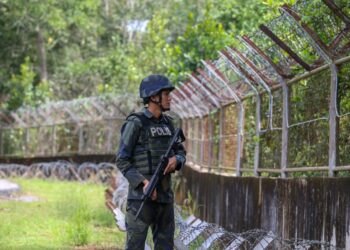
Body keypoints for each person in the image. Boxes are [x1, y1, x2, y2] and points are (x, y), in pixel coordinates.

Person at [116, 74, 186, 250]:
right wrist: (144, 183)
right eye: (166, 94)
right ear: (154, 97)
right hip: (141, 199)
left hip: (164, 199)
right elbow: (122, 160)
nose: (170, 98)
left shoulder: (170, 124)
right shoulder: (135, 123)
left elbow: (181, 152)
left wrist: (176, 160)